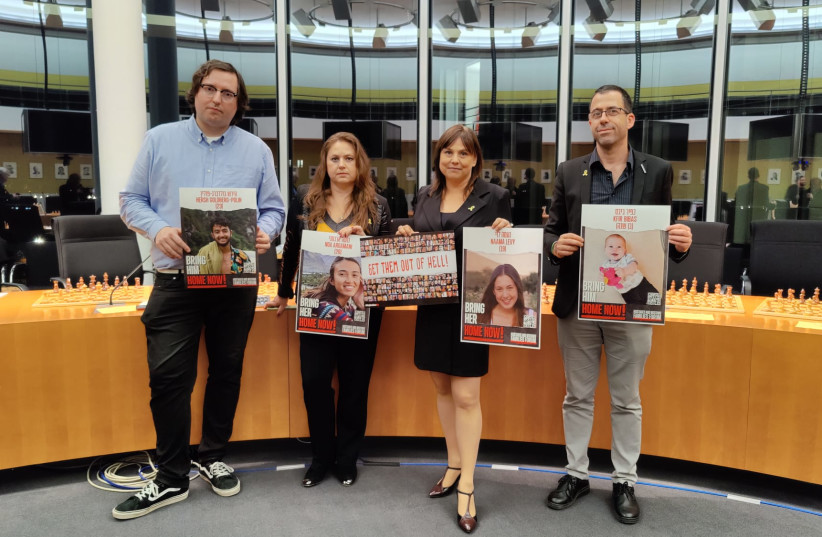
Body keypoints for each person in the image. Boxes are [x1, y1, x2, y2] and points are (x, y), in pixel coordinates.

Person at [117, 59, 285, 520]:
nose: (218, 99)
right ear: (195, 94)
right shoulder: (159, 140)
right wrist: (157, 229)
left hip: (235, 284)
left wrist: (269, 232)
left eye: (229, 93)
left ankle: (211, 455)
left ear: (238, 103)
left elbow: (274, 209)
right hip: (176, 280)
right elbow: (129, 201)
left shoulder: (257, 151)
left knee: (227, 371)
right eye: (210, 89)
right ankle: (171, 477)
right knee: (169, 379)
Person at [543, 85, 692, 525]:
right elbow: (551, 231)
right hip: (579, 305)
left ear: (630, 119)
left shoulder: (658, 170)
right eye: (594, 113)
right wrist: (557, 246)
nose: (602, 119)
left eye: (611, 111)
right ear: (590, 123)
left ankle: (625, 480)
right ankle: (576, 474)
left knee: (627, 400)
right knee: (578, 395)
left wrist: (680, 243)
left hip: (633, 304)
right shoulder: (570, 171)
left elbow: (663, 238)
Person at [395, 124, 511, 534]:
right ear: (439, 157)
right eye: (448, 152)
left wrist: (506, 233)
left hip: (472, 310)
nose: (455, 160)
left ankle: (468, 486)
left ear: (475, 159)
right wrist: (406, 234)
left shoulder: (495, 198)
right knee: (441, 388)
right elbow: (419, 244)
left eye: (464, 153)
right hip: (432, 306)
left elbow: (507, 255)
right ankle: (453, 464)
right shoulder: (424, 196)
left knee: (466, 394)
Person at [267, 131, 391, 488]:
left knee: (355, 386)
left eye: (348, 158)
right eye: (334, 158)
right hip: (315, 308)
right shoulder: (306, 203)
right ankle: (321, 457)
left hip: (362, 311)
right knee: (315, 383)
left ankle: (347, 459)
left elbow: (384, 255)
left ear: (359, 163)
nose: (341, 165)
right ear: (325, 164)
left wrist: (364, 242)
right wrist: (283, 292)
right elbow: (291, 250)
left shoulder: (379, 205)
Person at [598, 234, 660, 309]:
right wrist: (603, 278)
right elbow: (605, 278)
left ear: (625, 251)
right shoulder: (605, 266)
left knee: (656, 301)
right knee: (636, 310)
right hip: (627, 293)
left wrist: (624, 271)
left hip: (641, 284)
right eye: (611, 246)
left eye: (619, 247)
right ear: (605, 250)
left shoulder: (626, 257)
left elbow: (634, 265)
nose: (615, 249)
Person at [476, 263, 535, 327]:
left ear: (517, 288)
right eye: (499, 289)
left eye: (509, 288)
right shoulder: (482, 317)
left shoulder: (530, 316)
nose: (505, 295)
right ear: (493, 291)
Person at [733, 167, 772, 243]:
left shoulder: (741, 188)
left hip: (744, 219)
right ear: (758, 176)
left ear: (748, 176)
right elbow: (766, 204)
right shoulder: (764, 188)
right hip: (759, 218)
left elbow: (737, 202)